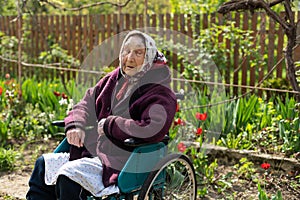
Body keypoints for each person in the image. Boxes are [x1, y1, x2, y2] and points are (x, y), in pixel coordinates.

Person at [26, 30, 177, 200]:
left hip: (124, 160)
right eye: (126, 51)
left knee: (68, 176)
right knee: (43, 165)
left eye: (138, 52)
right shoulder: (114, 79)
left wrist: (110, 125)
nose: (129, 58)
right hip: (95, 151)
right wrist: (76, 124)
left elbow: (152, 128)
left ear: (149, 57)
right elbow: (85, 103)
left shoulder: (160, 92)